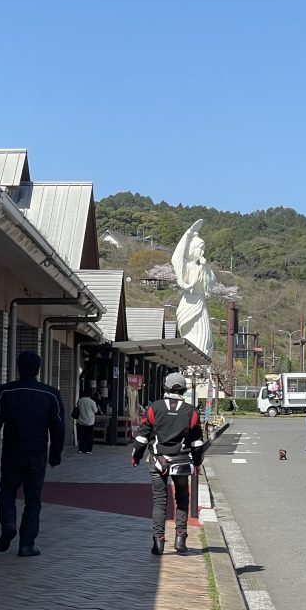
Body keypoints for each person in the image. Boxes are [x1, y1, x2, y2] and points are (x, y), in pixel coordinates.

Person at [0, 350, 64, 557]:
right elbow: (58, 428)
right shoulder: (51, 394)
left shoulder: (5, 392)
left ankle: (8, 524)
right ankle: (26, 545)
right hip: (37, 454)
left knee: (7, 491)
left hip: (12, 453)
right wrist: (55, 456)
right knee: (33, 500)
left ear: (18, 368)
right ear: (38, 369)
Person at [131, 372, 205, 556]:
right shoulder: (191, 411)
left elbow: (142, 437)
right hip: (182, 460)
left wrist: (136, 457)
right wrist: (197, 462)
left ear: (165, 387)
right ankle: (181, 538)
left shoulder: (154, 408)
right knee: (182, 498)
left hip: (158, 460)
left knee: (160, 500)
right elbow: (197, 442)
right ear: (184, 389)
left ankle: (158, 542)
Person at [171, 219, 217, 358]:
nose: (202, 251)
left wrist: (205, 267)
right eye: (199, 248)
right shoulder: (186, 264)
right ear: (190, 249)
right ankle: (192, 365)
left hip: (200, 304)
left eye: (203, 249)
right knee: (192, 337)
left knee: (205, 336)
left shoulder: (202, 266)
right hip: (189, 303)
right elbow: (176, 258)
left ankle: (202, 365)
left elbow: (211, 281)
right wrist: (188, 234)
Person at [73, 387, 100, 454]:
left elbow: (78, 408)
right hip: (89, 422)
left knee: (81, 436)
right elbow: (95, 411)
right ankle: (88, 450)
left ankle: (81, 449)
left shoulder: (80, 400)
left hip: (81, 421)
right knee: (89, 436)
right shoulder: (92, 402)